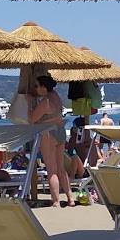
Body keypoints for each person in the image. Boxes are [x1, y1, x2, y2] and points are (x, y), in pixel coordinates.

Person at [26, 73, 74, 206]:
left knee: (51, 169)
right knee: (61, 168)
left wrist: (29, 103)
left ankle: (56, 200)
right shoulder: (56, 96)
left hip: (48, 133)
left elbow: (32, 119)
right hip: (60, 130)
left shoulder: (46, 101)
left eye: (36, 86)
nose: (35, 89)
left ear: (43, 87)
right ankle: (70, 198)